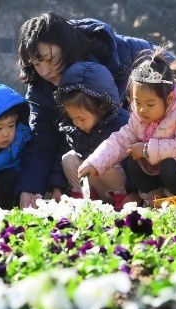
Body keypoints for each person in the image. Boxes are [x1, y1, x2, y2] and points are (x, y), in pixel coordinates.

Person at [15, 12, 164, 208]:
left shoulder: (114, 55)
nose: (45, 71)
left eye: (50, 59)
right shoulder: (40, 88)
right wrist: (32, 188)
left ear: (66, 46)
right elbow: (44, 141)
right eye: (36, 63)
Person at [78, 50, 176, 206]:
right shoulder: (139, 116)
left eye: (150, 104)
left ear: (169, 98)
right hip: (157, 173)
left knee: (169, 165)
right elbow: (119, 140)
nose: (142, 110)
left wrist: (146, 149)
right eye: (137, 103)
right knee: (133, 159)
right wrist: (95, 163)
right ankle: (154, 199)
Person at [53, 61, 130, 209]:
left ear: (101, 109)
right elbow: (60, 154)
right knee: (68, 158)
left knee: (105, 160)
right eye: (73, 118)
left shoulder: (121, 122)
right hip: (94, 183)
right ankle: (84, 200)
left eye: (81, 119)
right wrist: (56, 185)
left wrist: (135, 192)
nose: (77, 124)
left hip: (119, 185)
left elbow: (131, 161)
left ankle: (120, 202)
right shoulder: (73, 128)